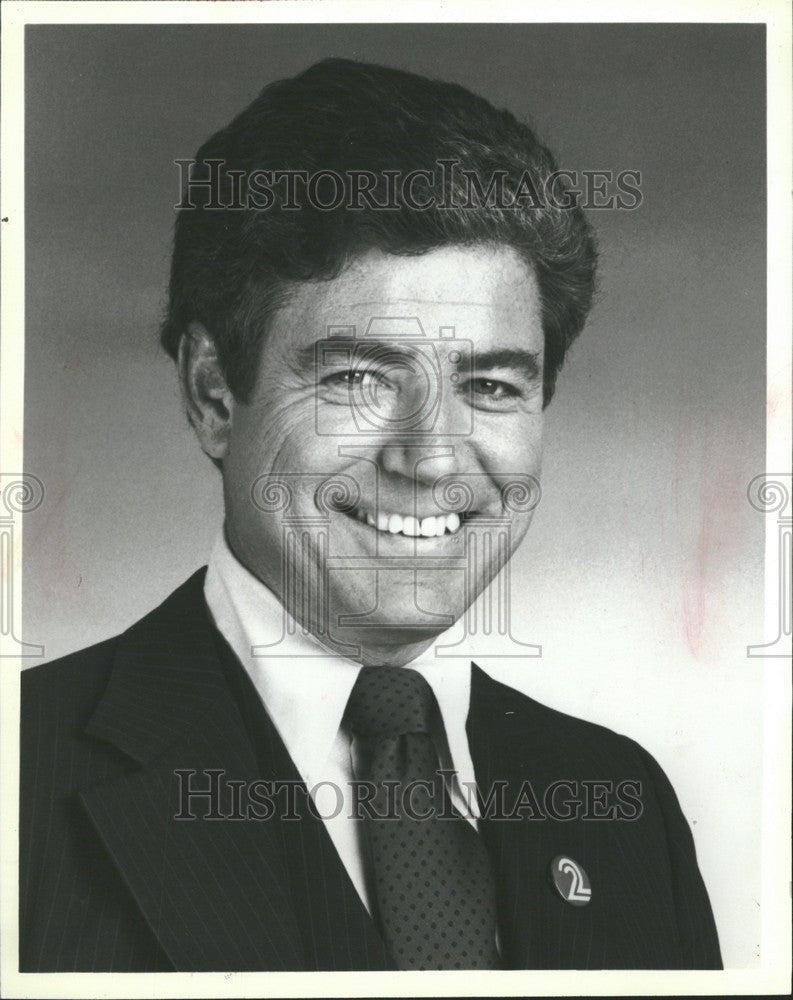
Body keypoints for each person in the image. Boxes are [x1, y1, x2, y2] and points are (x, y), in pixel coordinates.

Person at [19, 58, 722, 972]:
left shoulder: (620, 798)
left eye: (490, 384)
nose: (429, 455)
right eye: (357, 378)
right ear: (212, 395)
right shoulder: (21, 773)